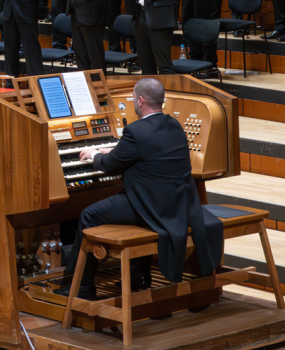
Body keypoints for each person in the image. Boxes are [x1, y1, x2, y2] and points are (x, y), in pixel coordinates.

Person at [59, 78, 224, 301]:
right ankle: (139, 277)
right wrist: (113, 150)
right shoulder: (173, 125)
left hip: (151, 206)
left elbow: (109, 166)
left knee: (89, 214)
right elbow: (145, 150)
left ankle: (81, 286)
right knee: (121, 201)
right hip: (177, 203)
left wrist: (95, 155)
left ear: (140, 100)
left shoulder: (135, 131)